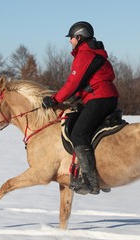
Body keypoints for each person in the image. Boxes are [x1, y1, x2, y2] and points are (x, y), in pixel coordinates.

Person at [42, 21, 119, 195]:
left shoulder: (85, 55)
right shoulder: (94, 53)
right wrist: (75, 98)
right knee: (81, 125)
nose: (70, 41)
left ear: (79, 37)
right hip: (105, 97)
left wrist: (55, 99)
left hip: (100, 99)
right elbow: (86, 84)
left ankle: (91, 181)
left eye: (71, 38)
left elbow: (73, 83)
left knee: (78, 134)